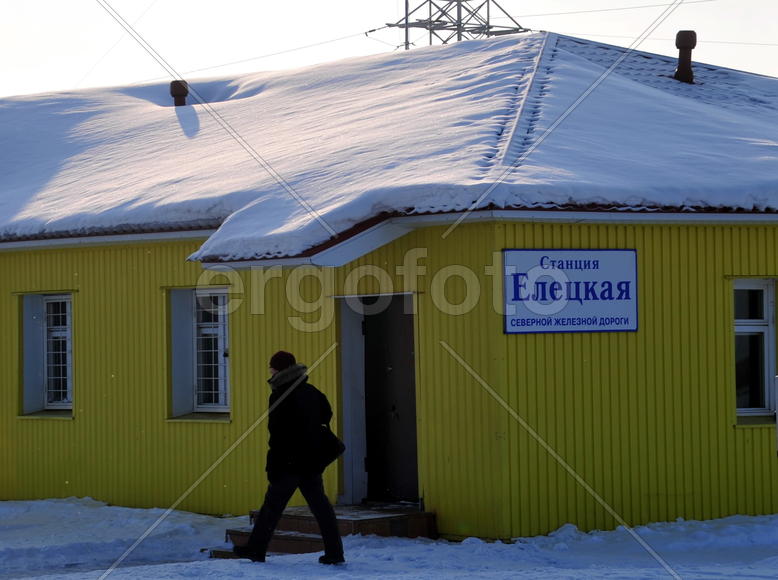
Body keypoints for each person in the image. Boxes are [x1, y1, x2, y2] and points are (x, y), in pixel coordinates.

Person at [234, 350, 345, 565]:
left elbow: (277, 433)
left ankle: (256, 549)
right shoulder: (311, 391)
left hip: (288, 463)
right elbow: (326, 415)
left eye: (272, 367)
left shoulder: (280, 394)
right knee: (322, 509)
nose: (270, 371)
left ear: (279, 370)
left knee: (271, 509)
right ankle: (335, 552)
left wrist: (275, 463)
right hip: (311, 462)